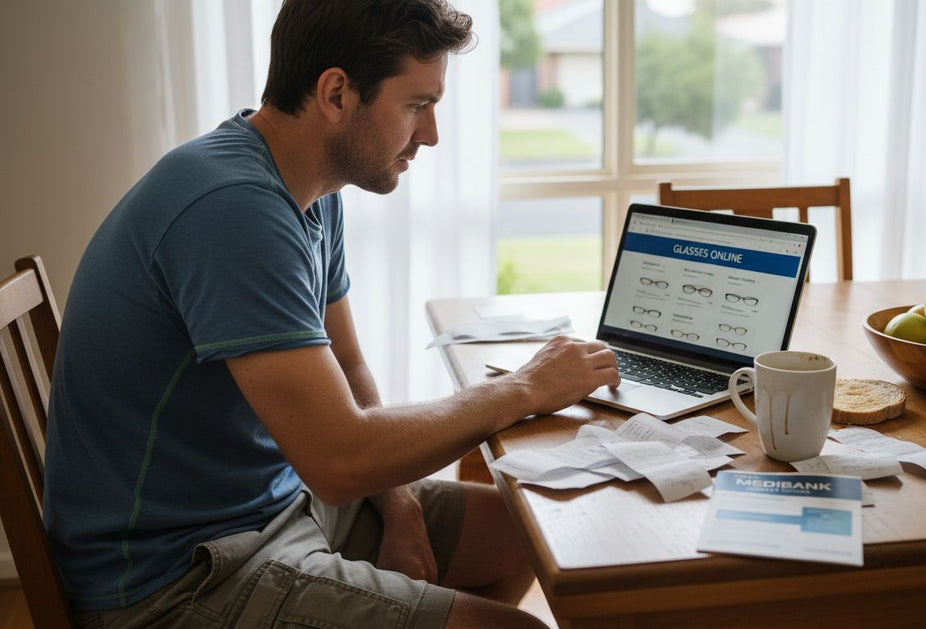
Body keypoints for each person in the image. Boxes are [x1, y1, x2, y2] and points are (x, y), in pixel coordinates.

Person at [42, 1, 620, 627]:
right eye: (417, 105)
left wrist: (401, 510)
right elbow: (339, 463)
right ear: (336, 93)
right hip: (177, 577)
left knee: (521, 533)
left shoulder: (311, 188)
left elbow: (348, 364)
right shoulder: (232, 209)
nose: (431, 135)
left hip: (275, 505)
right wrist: (526, 387)